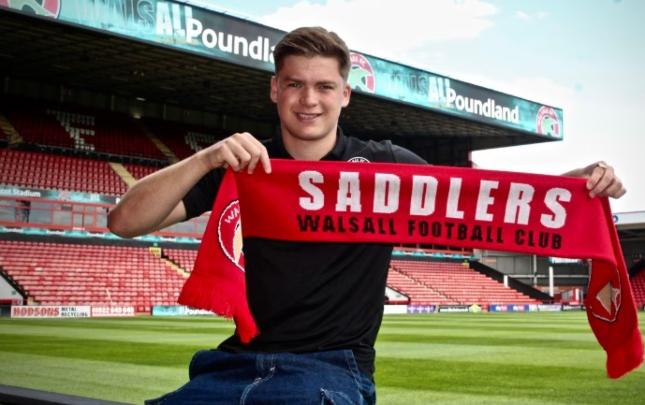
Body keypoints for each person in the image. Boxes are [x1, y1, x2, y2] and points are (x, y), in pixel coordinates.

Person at [108, 27, 626, 404]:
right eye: (294, 84)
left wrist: (578, 186)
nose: (309, 100)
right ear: (274, 89)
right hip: (233, 363)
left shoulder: (384, 168)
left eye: (324, 86)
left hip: (330, 370)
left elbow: (489, 204)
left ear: (345, 95)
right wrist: (206, 157)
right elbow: (123, 222)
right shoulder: (244, 166)